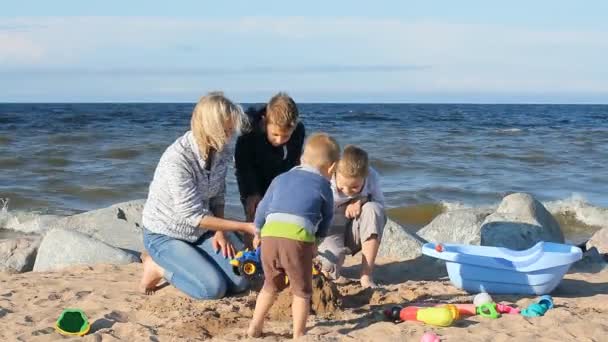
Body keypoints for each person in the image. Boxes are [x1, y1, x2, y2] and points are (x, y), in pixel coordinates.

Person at [139, 92, 257, 300]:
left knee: (240, 279)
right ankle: (157, 267)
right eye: (226, 130)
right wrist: (244, 226)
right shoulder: (177, 160)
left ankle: (197, 260)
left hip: (201, 231)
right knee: (212, 289)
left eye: (231, 130)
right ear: (210, 127)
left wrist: (219, 232)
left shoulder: (221, 150)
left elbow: (218, 195)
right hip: (166, 234)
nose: (230, 136)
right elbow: (193, 216)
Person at [247, 133, 340, 339]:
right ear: (332, 168)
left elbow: (262, 208)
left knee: (270, 285)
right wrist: (316, 241)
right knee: (301, 291)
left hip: (270, 235)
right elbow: (326, 218)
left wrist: (258, 231)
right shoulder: (324, 185)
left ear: (300, 158)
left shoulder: (281, 178)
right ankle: (298, 334)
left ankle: (255, 325)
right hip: (297, 240)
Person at [235, 92, 305, 246]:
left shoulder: (298, 130)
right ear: (264, 121)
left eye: (286, 136)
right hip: (251, 173)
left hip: (279, 171)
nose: (279, 140)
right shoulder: (249, 129)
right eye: (275, 134)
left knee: (281, 217)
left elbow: (294, 162)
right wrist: (252, 193)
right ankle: (250, 252)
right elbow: (243, 166)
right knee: (253, 213)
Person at [317, 145, 387, 289]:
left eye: (354, 187)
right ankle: (333, 263)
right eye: (342, 187)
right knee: (328, 269)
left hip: (355, 228)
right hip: (329, 229)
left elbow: (381, 207)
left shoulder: (372, 176)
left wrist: (360, 200)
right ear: (334, 170)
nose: (348, 192)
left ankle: (366, 276)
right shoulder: (324, 177)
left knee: (373, 209)